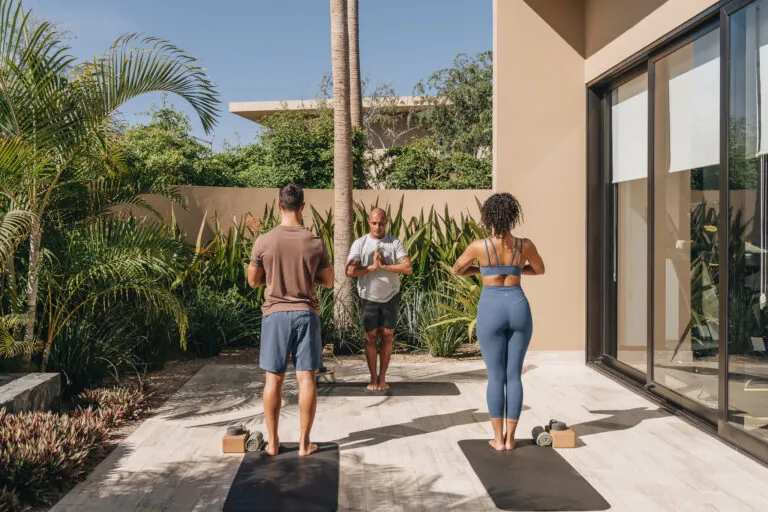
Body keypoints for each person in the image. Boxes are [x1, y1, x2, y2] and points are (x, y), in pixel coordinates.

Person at [451, 193, 545, 451]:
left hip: (491, 307)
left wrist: (483, 270)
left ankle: (498, 440)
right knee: (513, 376)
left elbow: (457, 269)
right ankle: (512, 439)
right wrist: (514, 270)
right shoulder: (525, 245)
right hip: (518, 306)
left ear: (488, 217)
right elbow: (539, 269)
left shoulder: (478, 247)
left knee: (495, 377)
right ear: (513, 216)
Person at [248, 184, 334, 457]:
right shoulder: (315, 242)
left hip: (275, 314)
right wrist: (308, 277)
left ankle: (272, 443)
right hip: (306, 314)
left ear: (278, 206)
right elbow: (329, 281)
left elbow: (252, 281)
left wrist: (271, 277)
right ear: (303, 206)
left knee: (273, 378)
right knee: (306, 378)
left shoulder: (263, 240)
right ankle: (304, 444)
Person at [346, 207, 412, 390]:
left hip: (391, 296)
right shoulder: (360, 243)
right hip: (368, 297)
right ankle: (373, 378)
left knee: (388, 335)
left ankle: (382, 378)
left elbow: (407, 267)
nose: (377, 227)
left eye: (381, 223)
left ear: (386, 223)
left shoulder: (394, 243)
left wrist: (384, 266)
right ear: (369, 222)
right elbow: (349, 271)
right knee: (370, 337)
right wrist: (371, 268)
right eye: (374, 223)